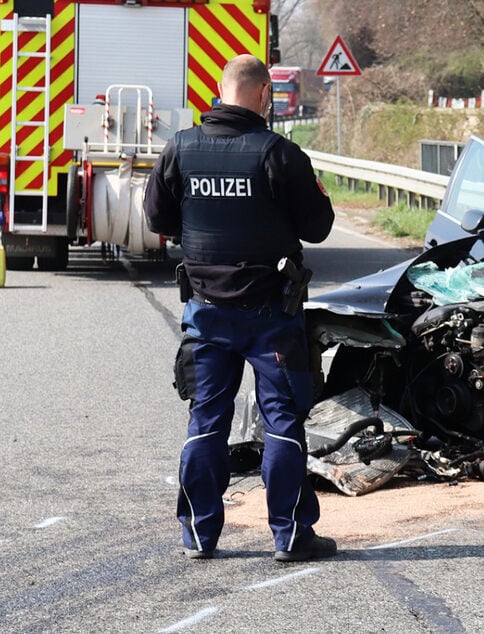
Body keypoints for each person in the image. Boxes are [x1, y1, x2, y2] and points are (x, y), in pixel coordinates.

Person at [144, 54, 336, 560]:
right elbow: (318, 227)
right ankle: (291, 536)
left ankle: (199, 537)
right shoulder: (279, 153)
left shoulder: (181, 148)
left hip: (206, 311)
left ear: (220, 90)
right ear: (263, 94)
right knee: (282, 421)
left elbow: (155, 217)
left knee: (206, 419)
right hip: (271, 315)